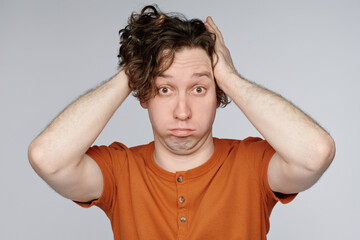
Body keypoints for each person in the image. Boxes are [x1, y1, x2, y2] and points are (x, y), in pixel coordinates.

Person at [28, 5, 336, 240]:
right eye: (164, 88)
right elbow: (47, 158)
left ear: (219, 95)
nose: (182, 111)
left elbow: (315, 153)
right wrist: (135, 66)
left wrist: (230, 77)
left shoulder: (252, 164)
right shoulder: (120, 170)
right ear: (144, 93)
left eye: (199, 89)